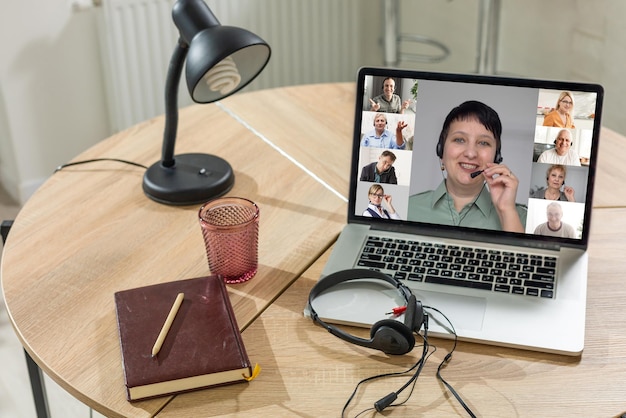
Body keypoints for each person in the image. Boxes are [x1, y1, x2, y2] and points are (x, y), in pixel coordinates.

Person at [407, 100, 526, 232]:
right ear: (441, 151)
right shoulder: (407, 207)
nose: (470, 153)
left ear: (496, 157)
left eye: (483, 143)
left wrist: (507, 211)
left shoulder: (521, 218)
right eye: (459, 140)